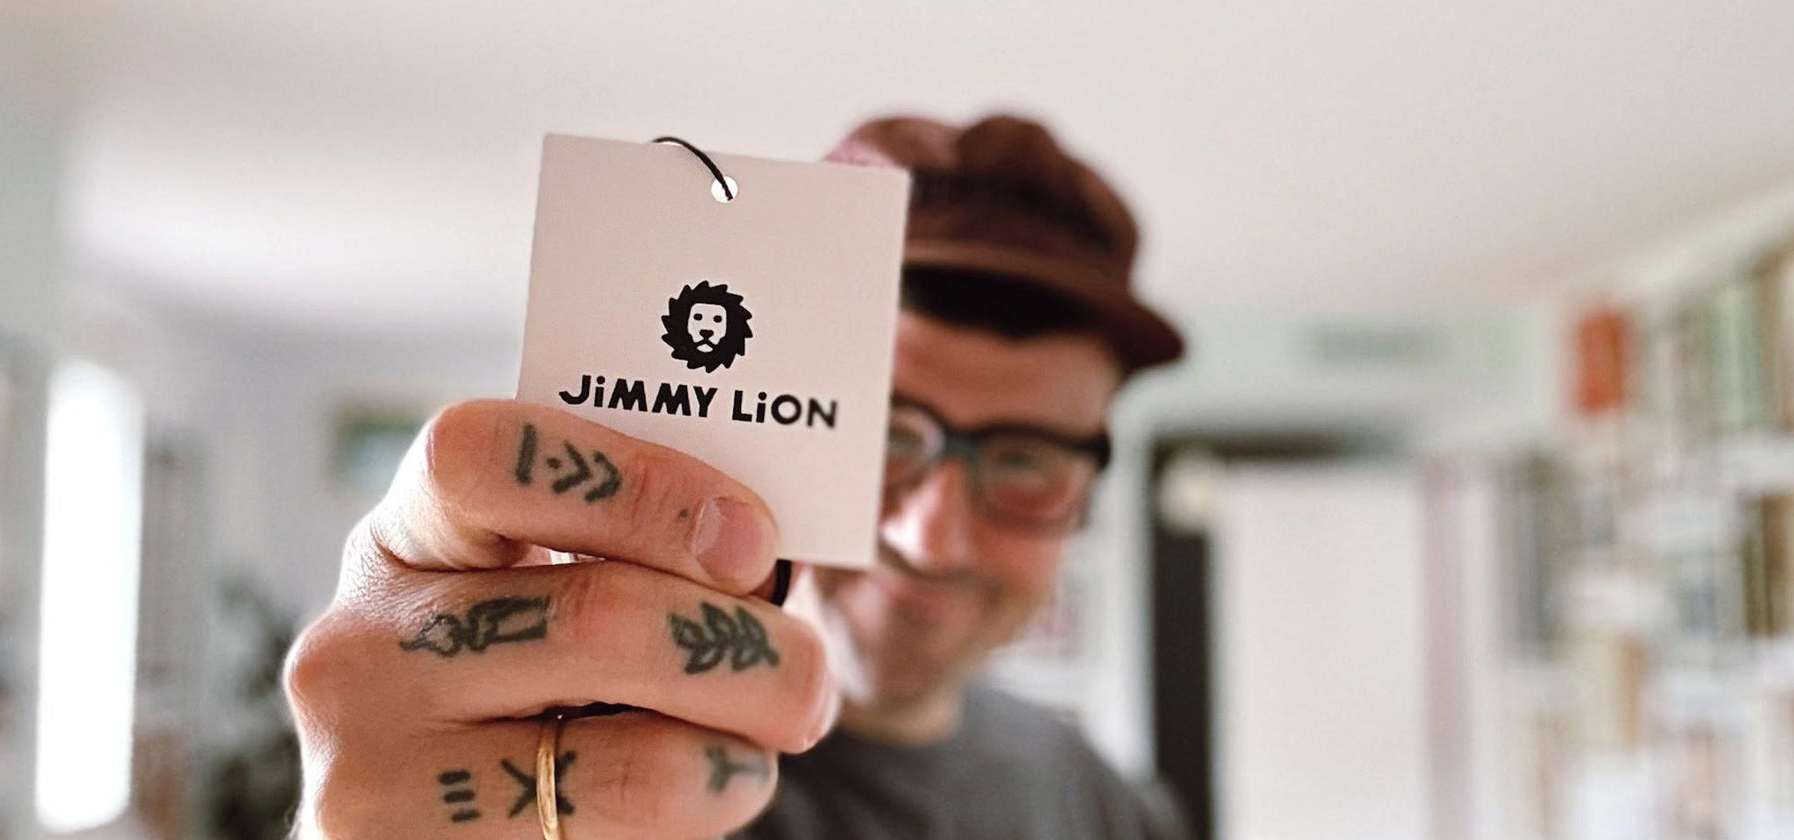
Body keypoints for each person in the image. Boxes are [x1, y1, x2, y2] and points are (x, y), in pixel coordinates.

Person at [283, 114, 1188, 840]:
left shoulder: (1111, 809)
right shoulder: (545, 762)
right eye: (880, 436)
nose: (931, 537)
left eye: (1026, 460)